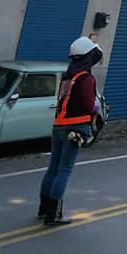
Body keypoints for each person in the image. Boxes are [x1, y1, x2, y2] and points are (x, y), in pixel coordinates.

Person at [39, 36, 103, 226]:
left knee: (53, 167)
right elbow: (86, 104)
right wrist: (95, 109)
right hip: (76, 128)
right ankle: (54, 215)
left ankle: (44, 209)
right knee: (65, 170)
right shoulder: (86, 78)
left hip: (59, 126)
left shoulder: (68, 76)